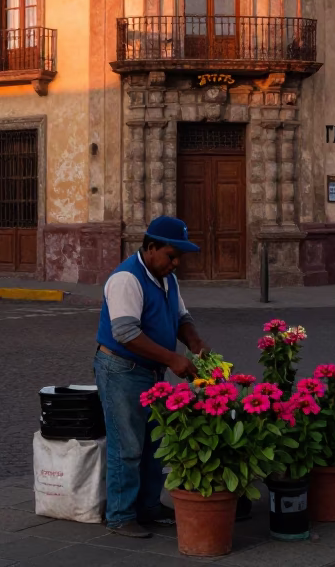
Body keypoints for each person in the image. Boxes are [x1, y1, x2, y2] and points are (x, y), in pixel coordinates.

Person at [95, 216, 210, 539]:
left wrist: (195, 343)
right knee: (127, 445)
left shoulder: (166, 278)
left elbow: (181, 317)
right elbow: (126, 333)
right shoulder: (126, 279)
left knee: (153, 443)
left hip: (151, 370)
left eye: (178, 259)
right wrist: (174, 358)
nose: (175, 264)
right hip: (122, 370)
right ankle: (120, 515)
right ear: (150, 247)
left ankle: (148, 506)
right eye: (171, 256)